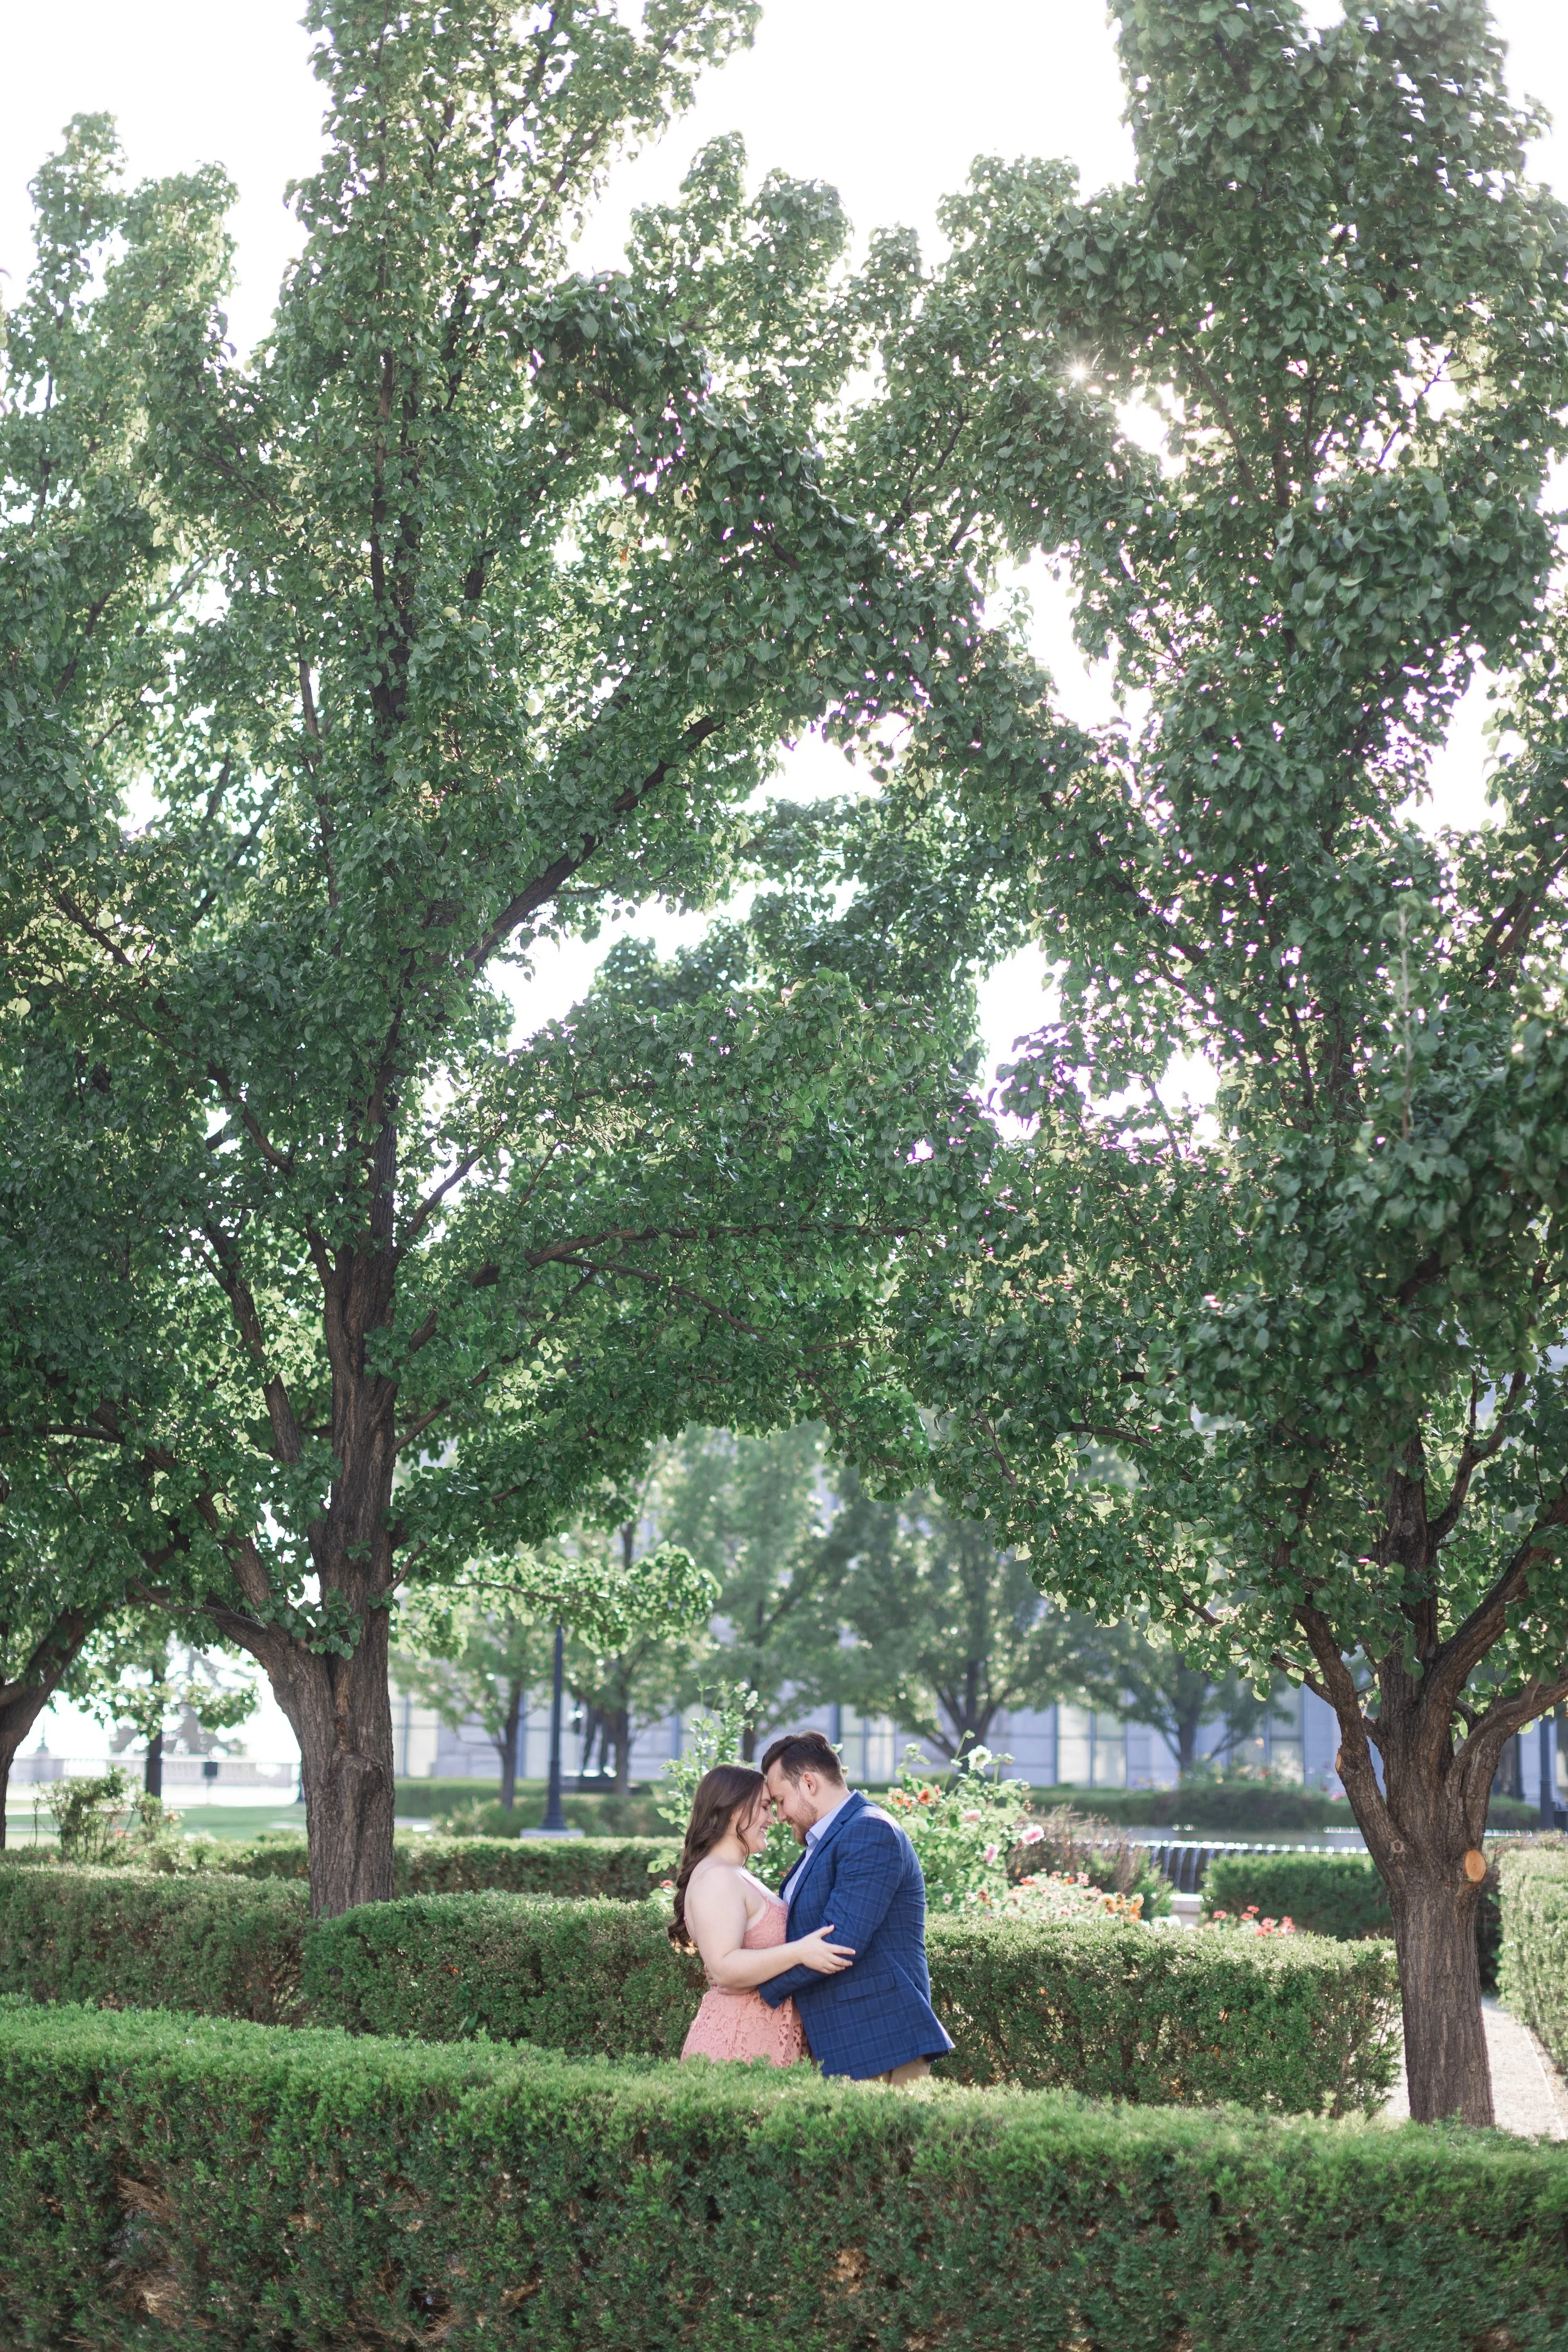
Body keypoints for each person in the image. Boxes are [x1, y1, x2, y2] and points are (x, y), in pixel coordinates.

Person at [758, 1729, 953, 2085]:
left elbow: (840, 1942)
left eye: (781, 1801)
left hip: (880, 2043)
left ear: (809, 1783)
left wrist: (754, 1982)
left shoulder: (870, 1831)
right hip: (845, 2045)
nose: (780, 1815)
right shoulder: (824, 1841)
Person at [675, 1761, 855, 2065]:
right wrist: (800, 1952)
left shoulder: (734, 1873)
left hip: (764, 2040)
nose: (772, 1819)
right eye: (763, 1807)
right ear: (734, 1810)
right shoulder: (718, 1877)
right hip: (736, 2045)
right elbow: (724, 1969)